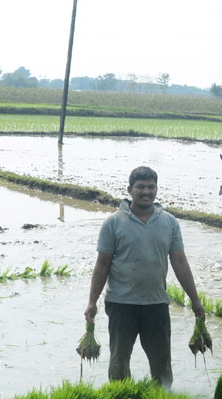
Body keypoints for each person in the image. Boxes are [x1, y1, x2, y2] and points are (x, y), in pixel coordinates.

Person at [85, 166, 205, 387]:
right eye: (141, 187)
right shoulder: (113, 223)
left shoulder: (169, 222)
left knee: (161, 363)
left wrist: (195, 300)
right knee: (119, 362)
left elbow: (179, 262)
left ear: (157, 189)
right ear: (130, 189)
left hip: (156, 303)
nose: (146, 191)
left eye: (151, 187)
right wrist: (92, 302)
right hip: (121, 304)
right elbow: (102, 266)